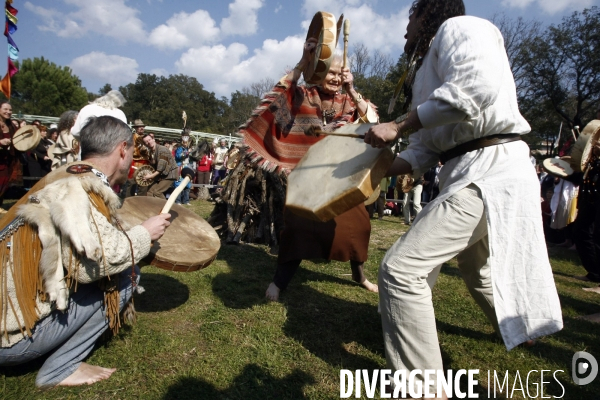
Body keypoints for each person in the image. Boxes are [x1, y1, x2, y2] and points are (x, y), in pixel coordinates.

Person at [363, 1, 562, 397]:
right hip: (468, 171)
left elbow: (474, 90)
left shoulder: (460, 28)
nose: (406, 30)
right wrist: (374, 170)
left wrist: (398, 124)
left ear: (429, 13)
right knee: (478, 269)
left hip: (492, 170)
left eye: (411, 18)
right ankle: (522, 330)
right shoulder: (425, 72)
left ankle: (423, 389)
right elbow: (423, 150)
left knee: (401, 270)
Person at [0, 115, 171, 389]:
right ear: (122, 150)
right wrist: (144, 234)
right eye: (131, 153)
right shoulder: (79, 190)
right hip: (10, 339)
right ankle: (60, 369)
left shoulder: (64, 174)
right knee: (128, 276)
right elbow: (93, 265)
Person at [264, 38, 379, 301]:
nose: (337, 79)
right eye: (332, 73)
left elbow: (374, 123)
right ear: (319, 72)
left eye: (342, 74)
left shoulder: (350, 102)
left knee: (358, 226)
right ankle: (279, 282)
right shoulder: (304, 96)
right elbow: (276, 105)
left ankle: (359, 275)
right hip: (306, 177)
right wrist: (304, 62)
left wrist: (352, 90)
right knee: (298, 227)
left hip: (341, 177)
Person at [141, 133, 178, 199]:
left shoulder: (162, 149)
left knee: (157, 192)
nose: (148, 142)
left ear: (153, 139)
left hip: (170, 174)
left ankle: (166, 208)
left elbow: (161, 168)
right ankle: (153, 208)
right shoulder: (151, 152)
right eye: (146, 142)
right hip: (162, 175)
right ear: (145, 144)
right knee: (150, 191)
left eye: (149, 140)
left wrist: (150, 176)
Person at [0, 101, 19, 213]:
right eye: (5, 109)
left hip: (8, 159)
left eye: (10, 110)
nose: (8, 112)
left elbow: (19, 138)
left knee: (4, 182)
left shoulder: (11, 125)